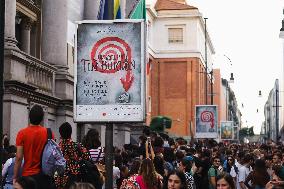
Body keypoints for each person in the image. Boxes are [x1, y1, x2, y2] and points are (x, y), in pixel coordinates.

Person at [13, 105, 56, 189]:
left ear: (29, 117)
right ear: (42, 119)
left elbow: (18, 157)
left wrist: (15, 176)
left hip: (27, 178)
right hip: (44, 176)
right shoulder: (49, 133)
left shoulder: (22, 133)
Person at [54, 122, 100, 189]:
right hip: (75, 177)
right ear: (71, 133)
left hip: (60, 178)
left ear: (60, 133)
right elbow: (87, 158)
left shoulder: (57, 147)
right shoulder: (77, 146)